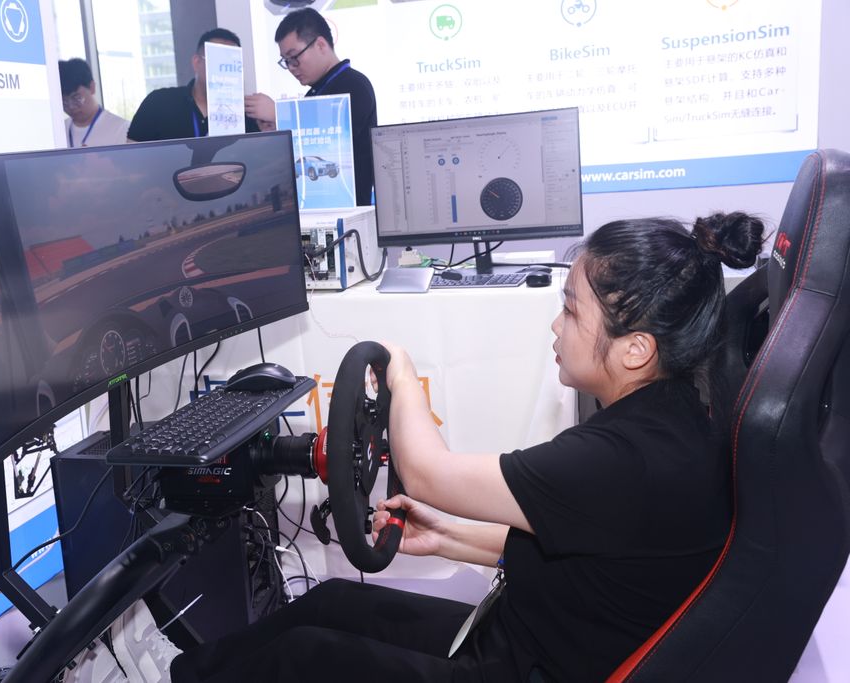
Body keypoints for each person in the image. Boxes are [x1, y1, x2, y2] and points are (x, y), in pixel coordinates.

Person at [162, 212, 764, 682]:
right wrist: (448, 537)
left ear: (635, 349)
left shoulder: (623, 458)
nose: (555, 326)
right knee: (331, 603)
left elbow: (426, 473)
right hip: (521, 638)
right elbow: (589, 555)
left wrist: (400, 372)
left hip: (522, 668)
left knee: (302, 657)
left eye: (570, 312)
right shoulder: (672, 418)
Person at [244, 8, 377, 206]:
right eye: (286, 61)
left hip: (348, 210)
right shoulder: (316, 92)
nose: (291, 67)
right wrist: (278, 128)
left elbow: (332, 140)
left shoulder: (354, 84)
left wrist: (278, 114)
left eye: (294, 57)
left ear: (320, 45)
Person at [128, 29, 264, 143]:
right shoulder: (158, 102)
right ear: (197, 62)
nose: (223, 70)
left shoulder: (247, 113)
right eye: (217, 61)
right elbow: (131, 156)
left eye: (231, 64)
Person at [58, 58, 130, 148]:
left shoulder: (121, 128)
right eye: (64, 102)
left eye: (76, 98)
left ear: (92, 87)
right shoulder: (58, 131)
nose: (71, 106)